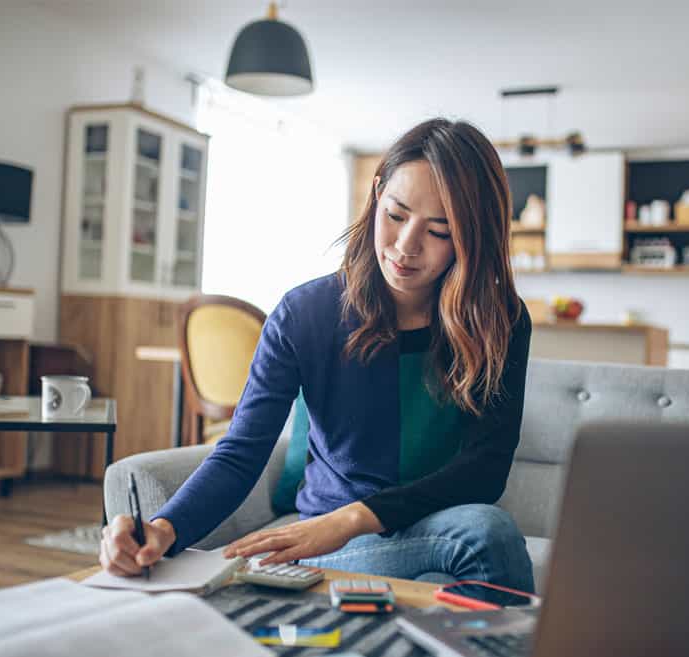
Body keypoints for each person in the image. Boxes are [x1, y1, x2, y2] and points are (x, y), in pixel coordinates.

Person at [100, 118, 535, 591]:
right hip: (336, 544)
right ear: (375, 194)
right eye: (395, 215)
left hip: (427, 525)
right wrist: (162, 530)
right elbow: (241, 453)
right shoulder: (305, 313)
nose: (406, 247)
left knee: (483, 534)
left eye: (440, 231)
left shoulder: (499, 320)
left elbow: (485, 470)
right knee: (484, 539)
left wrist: (352, 518)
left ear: (473, 237)